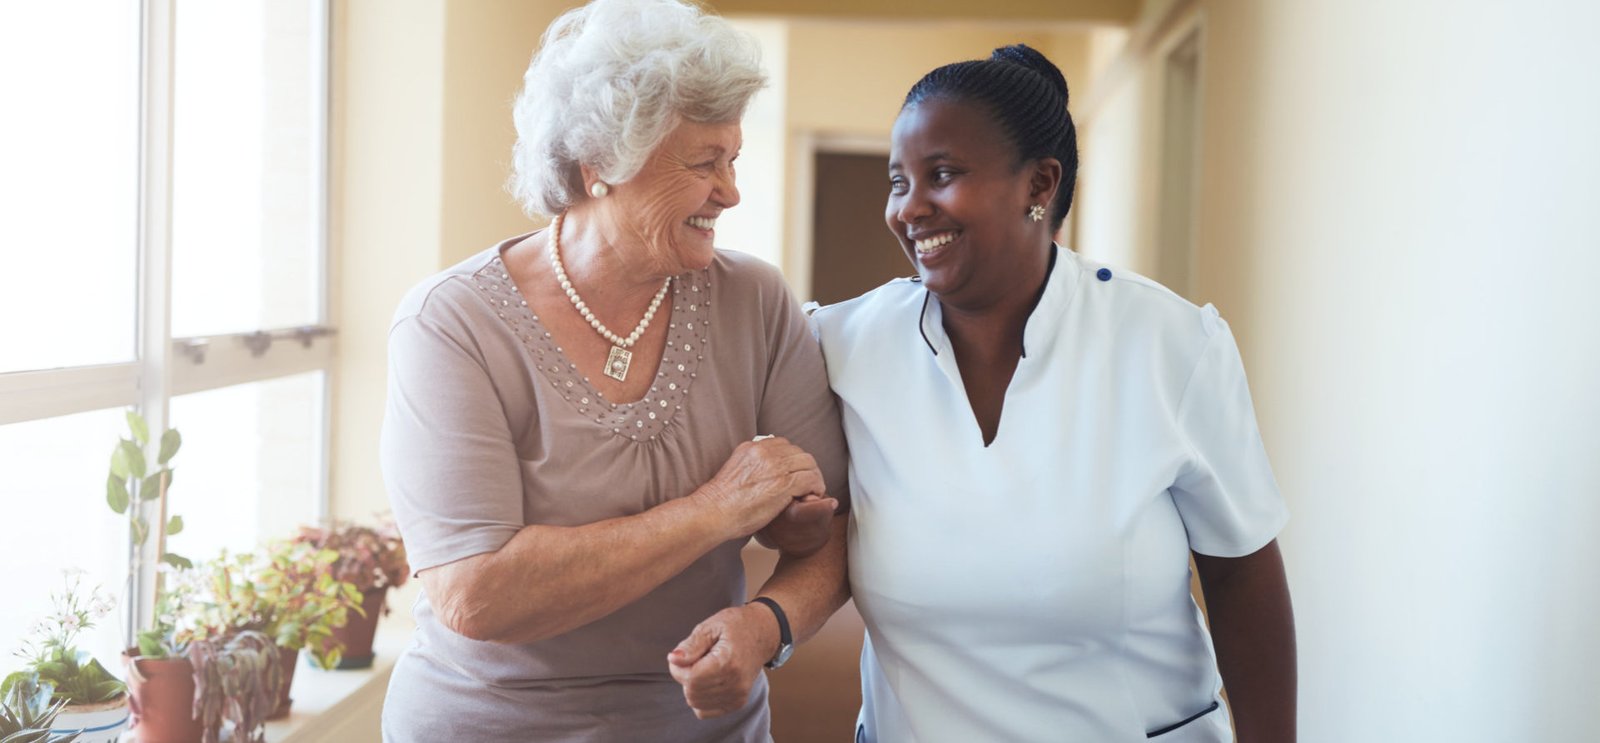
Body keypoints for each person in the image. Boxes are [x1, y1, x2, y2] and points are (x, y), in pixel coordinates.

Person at [672, 45, 1297, 741]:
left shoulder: (1169, 345)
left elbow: (1242, 577)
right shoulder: (841, 344)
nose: (909, 209)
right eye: (897, 181)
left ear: (1039, 185)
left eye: (941, 175)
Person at [377, 1, 849, 740]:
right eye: (704, 163)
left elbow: (839, 526)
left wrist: (767, 624)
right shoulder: (451, 323)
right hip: (489, 724)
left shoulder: (753, 299)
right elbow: (479, 594)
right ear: (600, 166)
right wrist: (717, 510)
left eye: (732, 160)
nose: (730, 191)